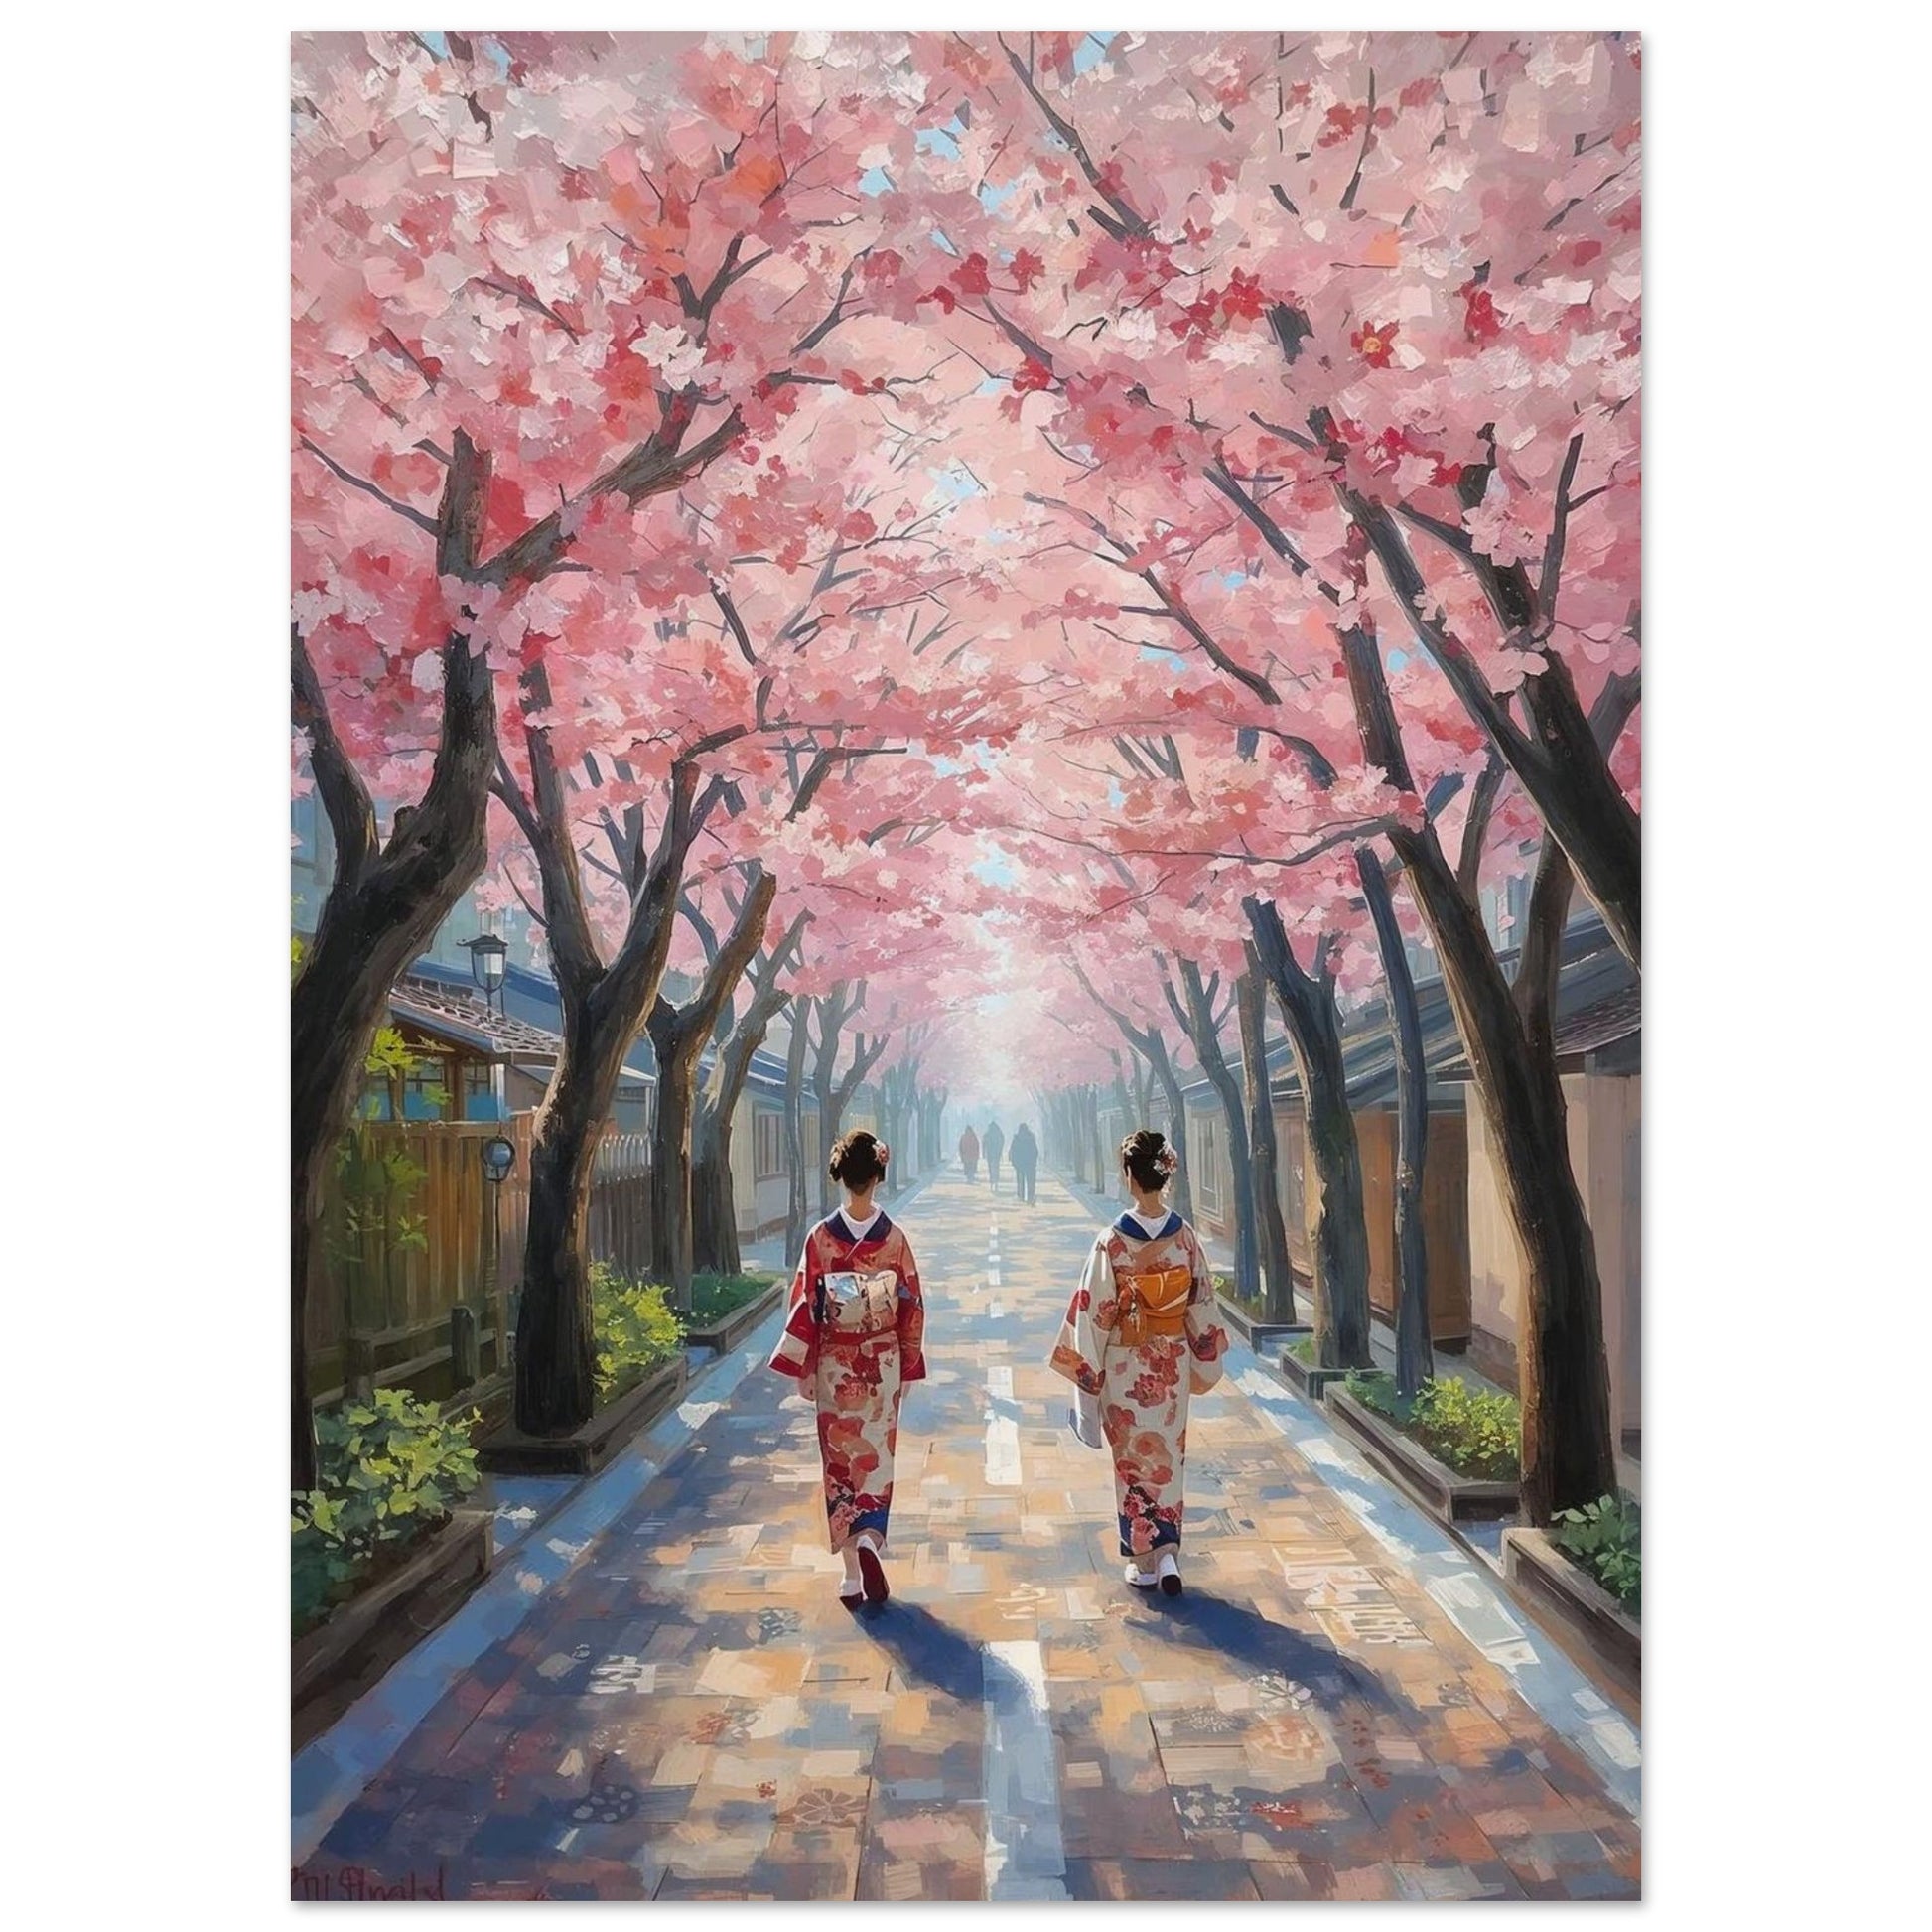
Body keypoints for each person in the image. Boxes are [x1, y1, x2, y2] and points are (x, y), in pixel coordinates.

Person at [1048, 1128, 1228, 1596]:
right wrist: (1203, 1362)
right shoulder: (1185, 1238)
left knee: (1132, 1462)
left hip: (1126, 1370)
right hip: (1170, 1367)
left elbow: (1092, 1317)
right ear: (1164, 1174)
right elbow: (1202, 1305)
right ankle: (1168, 1553)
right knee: (1168, 1455)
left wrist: (1087, 1386)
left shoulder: (1111, 1242)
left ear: (1129, 1176)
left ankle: (1145, 1562)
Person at [769, 1131, 925, 1605]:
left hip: (836, 1364)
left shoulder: (820, 1238)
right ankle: (870, 1537)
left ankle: (852, 1574)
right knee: (875, 1456)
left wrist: (804, 1366)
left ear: (840, 1176)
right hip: (882, 1363)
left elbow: (805, 1304)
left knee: (840, 1462)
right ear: (878, 1176)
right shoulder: (894, 1240)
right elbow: (911, 1305)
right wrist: (908, 1364)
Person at [1010, 1121, 1038, 1205]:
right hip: (1030, 1164)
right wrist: (1034, 1161)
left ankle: (1021, 1196)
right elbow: (1035, 1151)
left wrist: (1014, 1162)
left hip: (1020, 1164)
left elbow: (1012, 1151)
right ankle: (1030, 1197)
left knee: (1020, 1181)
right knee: (1030, 1182)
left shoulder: (1016, 1139)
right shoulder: (1031, 1138)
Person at [983, 1120, 1005, 1191]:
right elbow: (1002, 1140)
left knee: (990, 1168)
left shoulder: (988, 1133)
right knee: (996, 1167)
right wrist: (1000, 1149)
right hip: (997, 1153)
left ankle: (992, 1181)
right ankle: (996, 1181)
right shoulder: (999, 1132)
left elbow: (984, 1143)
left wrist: (983, 1152)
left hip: (989, 1153)